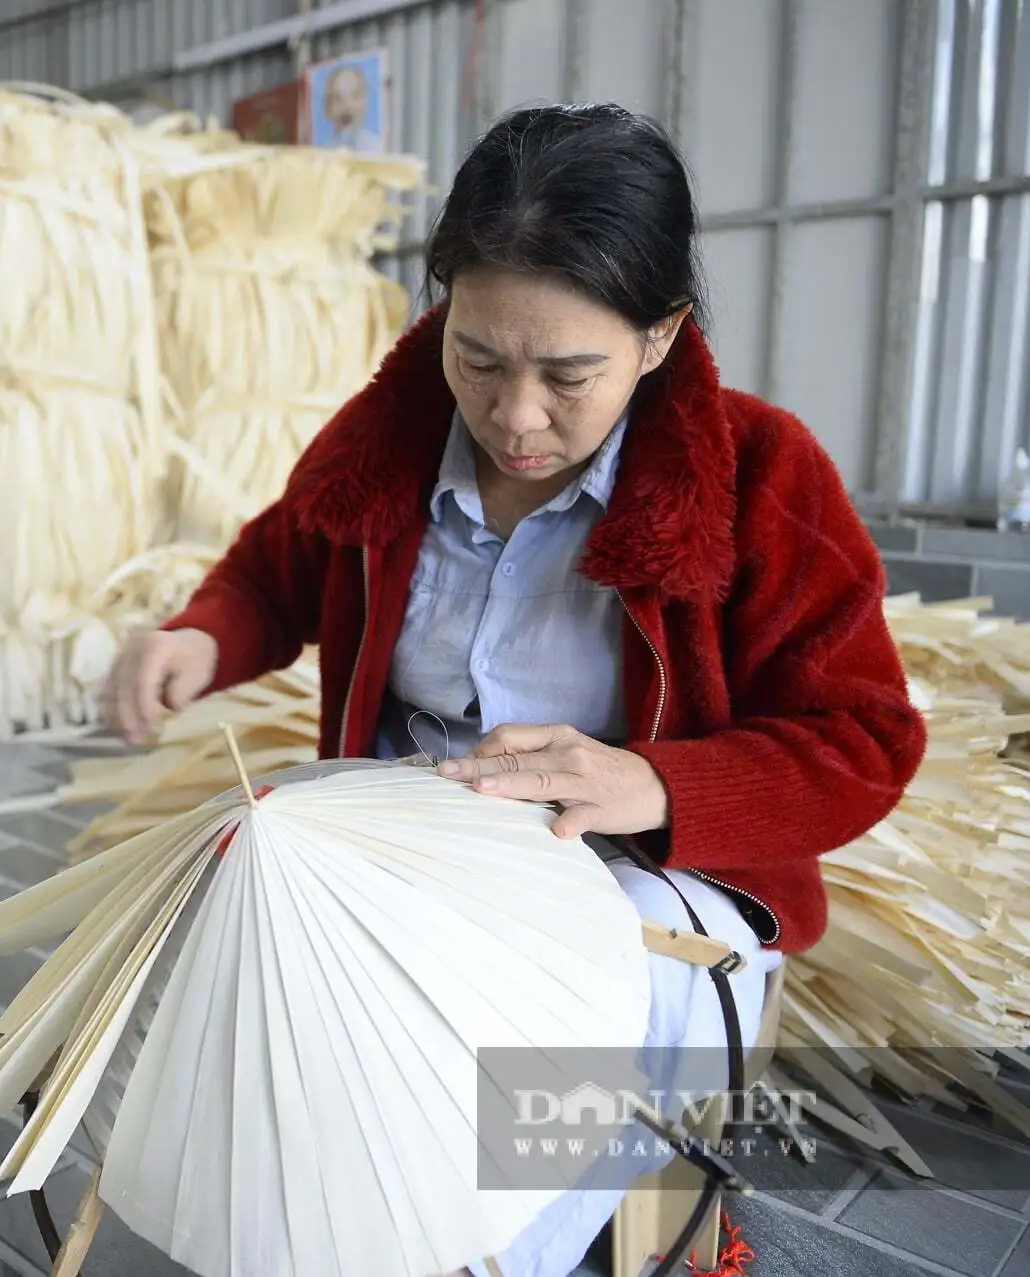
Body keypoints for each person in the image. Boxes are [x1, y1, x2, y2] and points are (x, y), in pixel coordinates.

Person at [99, 102, 926, 1276]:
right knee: (246, 917)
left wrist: (654, 778)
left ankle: (553, 1240)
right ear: (441, 311)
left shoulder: (761, 472)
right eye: (479, 357)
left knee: (588, 1035)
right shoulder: (390, 440)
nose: (515, 415)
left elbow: (864, 739)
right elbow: (280, 561)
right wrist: (203, 635)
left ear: (659, 336)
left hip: (645, 866)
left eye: (568, 374)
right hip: (416, 834)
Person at [319, 62, 383, 152]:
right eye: (338, 99)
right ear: (327, 110)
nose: (347, 106)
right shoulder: (323, 156)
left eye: (355, 95)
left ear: (366, 100)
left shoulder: (381, 149)